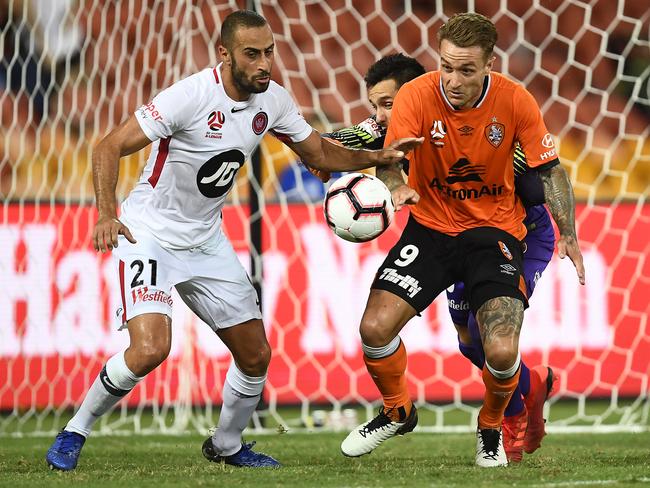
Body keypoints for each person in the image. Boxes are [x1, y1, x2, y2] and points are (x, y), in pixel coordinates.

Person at [44, 9, 422, 471]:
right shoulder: (189, 96)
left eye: (270, 52)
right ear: (224, 54)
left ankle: (226, 444)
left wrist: (377, 155)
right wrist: (105, 213)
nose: (265, 64)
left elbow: (318, 151)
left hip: (206, 238)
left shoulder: (274, 101)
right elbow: (108, 146)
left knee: (256, 353)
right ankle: (74, 430)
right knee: (149, 350)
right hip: (149, 234)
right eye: (252, 54)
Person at [338, 13, 584, 467]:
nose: (453, 80)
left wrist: (568, 232)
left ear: (490, 63)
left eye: (466, 70)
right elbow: (391, 160)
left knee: (498, 347)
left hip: (496, 232)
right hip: (430, 228)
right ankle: (398, 410)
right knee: (374, 330)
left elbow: (550, 170)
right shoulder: (414, 95)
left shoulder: (515, 101)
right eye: (446, 67)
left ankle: (491, 426)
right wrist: (394, 186)